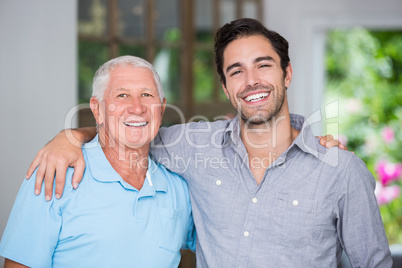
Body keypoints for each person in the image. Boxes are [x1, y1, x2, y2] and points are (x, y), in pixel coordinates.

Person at [24, 18, 391, 267]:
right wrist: (71, 135)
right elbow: (131, 130)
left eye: (263, 65)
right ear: (226, 87)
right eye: (236, 71)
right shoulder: (193, 145)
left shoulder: (341, 170)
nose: (251, 81)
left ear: (287, 73)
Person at [0, 56, 195, 267]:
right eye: (122, 95)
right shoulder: (56, 174)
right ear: (97, 109)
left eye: (146, 95)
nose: (137, 108)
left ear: (162, 108)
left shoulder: (179, 187)